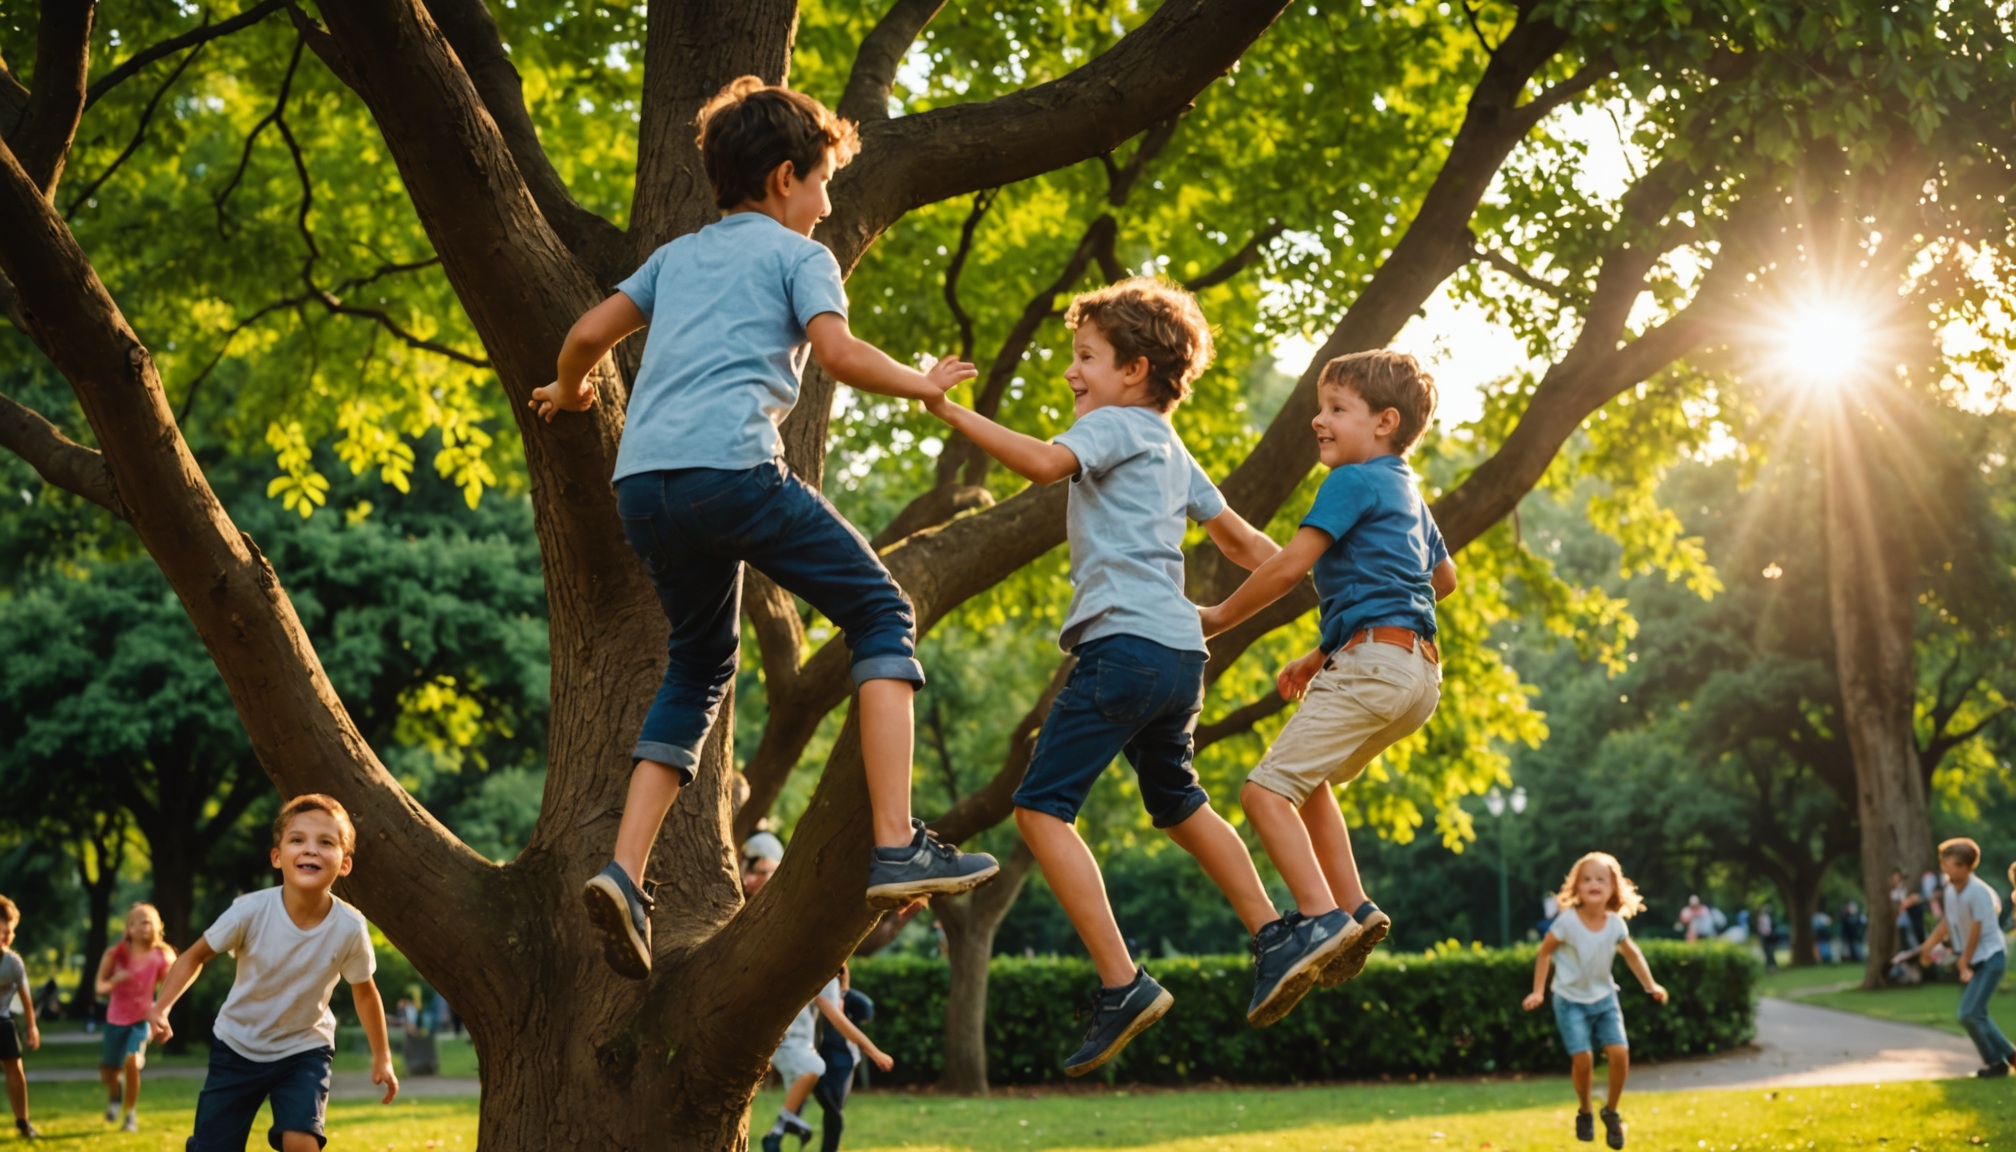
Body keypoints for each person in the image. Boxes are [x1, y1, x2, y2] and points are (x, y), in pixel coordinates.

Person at [529, 77, 999, 979]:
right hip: (734, 475)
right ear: (787, 177)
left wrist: (573, 390)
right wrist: (922, 384)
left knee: (699, 665)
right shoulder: (799, 256)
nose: (827, 206)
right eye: (823, 184)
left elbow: (587, 332)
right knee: (882, 614)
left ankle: (624, 874)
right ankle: (896, 844)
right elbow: (839, 355)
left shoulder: (674, 258)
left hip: (646, 489)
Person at [924, 276, 1324, 1073]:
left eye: (1086, 357)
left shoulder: (1111, 425)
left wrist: (947, 410)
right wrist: (1328, 589)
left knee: (1039, 810)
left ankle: (1122, 981)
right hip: (1180, 658)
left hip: (1124, 649)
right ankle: (1275, 934)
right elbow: (1248, 547)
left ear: (1135, 370)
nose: (1071, 372)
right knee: (1178, 801)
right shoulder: (1172, 449)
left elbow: (1044, 465)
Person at [1196, 348, 1457, 994]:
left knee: (1263, 794)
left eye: (1337, 409)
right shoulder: (1408, 492)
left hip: (1374, 664)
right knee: (1305, 780)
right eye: (1320, 407)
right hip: (1418, 673)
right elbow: (1443, 579)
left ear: (1385, 422)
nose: (1319, 419)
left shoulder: (1351, 480)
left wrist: (1218, 617)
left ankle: (1320, 920)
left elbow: (1290, 567)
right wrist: (1327, 652)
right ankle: (1355, 907)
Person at [149, 795, 400, 1151]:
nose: (310, 849)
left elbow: (364, 990)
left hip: (304, 1048)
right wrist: (161, 1008)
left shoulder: (349, 926)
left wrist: (383, 1057)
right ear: (277, 857)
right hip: (237, 1045)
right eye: (297, 840)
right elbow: (194, 956)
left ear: (344, 864)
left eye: (325, 842)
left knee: (302, 1142)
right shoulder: (250, 912)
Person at [1521, 852, 1669, 1150]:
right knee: (1583, 1059)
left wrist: (1650, 985)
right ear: (1576, 886)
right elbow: (1544, 952)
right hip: (1569, 1000)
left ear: (1614, 887)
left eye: (1601, 879)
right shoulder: (1566, 922)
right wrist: (1538, 991)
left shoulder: (1615, 924)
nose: (1594, 884)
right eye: (1587, 879)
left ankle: (1611, 1111)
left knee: (1619, 1052)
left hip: (1604, 998)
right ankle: (1585, 1111)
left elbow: (1632, 955)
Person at [1902, 838, 2011, 1078]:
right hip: (1976, 959)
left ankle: (2002, 1059)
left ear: (1965, 867)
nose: (1944, 869)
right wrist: (1926, 948)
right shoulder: (1951, 890)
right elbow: (1947, 923)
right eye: (1943, 864)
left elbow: (1977, 929)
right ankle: (2000, 1061)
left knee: (1969, 1013)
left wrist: (1964, 960)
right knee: (1975, 1013)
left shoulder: (1978, 892)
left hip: (1991, 957)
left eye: (1948, 865)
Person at [759, 968, 892, 1152]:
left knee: (823, 1102)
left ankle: (777, 1134)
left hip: (824, 1050)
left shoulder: (825, 979)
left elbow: (839, 1011)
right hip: (806, 1047)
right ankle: (777, 1134)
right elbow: (837, 1017)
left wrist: (843, 988)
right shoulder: (817, 976)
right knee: (813, 1085)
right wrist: (874, 1052)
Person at [94, 902, 175, 1131]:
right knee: (109, 1072)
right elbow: (99, 987)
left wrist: (161, 1014)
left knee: (132, 1062)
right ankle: (114, 1100)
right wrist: (115, 981)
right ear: (129, 927)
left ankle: (130, 1115)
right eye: (138, 922)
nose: (143, 927)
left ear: (157, 926)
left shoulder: (160, 957)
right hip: (115, 1020)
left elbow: (172, 988)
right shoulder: (115, 954)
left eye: (148, 922)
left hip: (141, 1021)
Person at [809, 963, 874, 1152]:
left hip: (841, 1055)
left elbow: (866, 1011)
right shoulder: (809, 992)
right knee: (828, 1106)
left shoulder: (843, 995)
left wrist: (844, 989)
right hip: (812, 1053)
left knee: (833, 1108)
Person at [0, 895, 40, 1140]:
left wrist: (32, 1026)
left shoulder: (13, 963)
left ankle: (23, 1122)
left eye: (11, 932)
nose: (8, 936)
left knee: (15, 1070)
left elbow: (25, 998)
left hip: (3, 1020)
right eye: (3, 931)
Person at [1756, 907, 1777, 974]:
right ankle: (1769, 967)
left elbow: (1766, 928)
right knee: (1766, 953)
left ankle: (1772, 966)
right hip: (1764, 936)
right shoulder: (1761, 918)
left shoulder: (1765, 918)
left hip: (1767, 936)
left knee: (1770, 952)